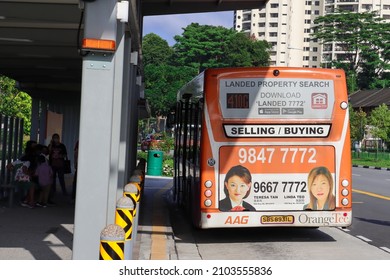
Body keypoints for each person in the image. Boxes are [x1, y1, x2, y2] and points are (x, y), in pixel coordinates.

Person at [7, 140, 38, 208]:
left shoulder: (17, 161)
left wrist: (13, 170)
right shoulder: (28, 162)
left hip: (16, 180)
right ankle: (30, 202)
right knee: (32, 185)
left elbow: (8, 166)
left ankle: (27, 200)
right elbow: (24, 170)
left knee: (31, 185)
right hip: (23, 180)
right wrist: (29, 175)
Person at [48, 133, 68, 199]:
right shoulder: (51, 145)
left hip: (60, 164)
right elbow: (48, 152)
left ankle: (64, 190)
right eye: (54, 138)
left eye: (57, 138)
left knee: (61, 177)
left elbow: (65, 154)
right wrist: (51, 144)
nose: (55, 139)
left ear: (59, 138)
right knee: (53, 178)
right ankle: (53, 190)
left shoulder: (62, 146)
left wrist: (59, 156)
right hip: (52, 164)